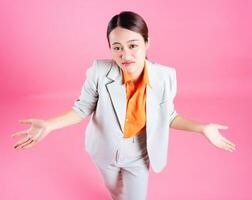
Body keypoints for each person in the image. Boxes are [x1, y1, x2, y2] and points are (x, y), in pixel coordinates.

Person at [12, 11, 236, 200]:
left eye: (133, 45)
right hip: (104, 150)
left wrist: (202, 128)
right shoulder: (98, 72)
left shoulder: (165, 77)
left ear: (147, 43)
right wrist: (49, 125)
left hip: (139, 153)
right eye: (117, 47)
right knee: (115, 191)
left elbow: (169, 116)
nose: (125, 54)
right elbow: (81, 109)